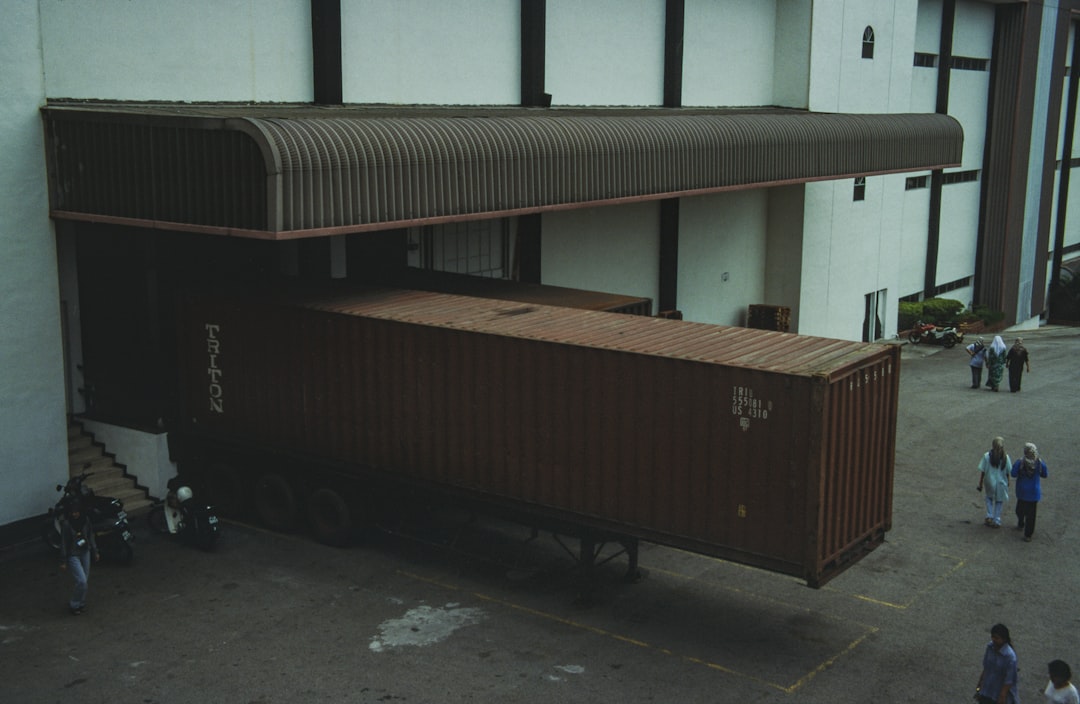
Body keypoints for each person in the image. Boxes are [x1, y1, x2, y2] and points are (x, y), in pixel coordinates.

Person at [58, 500, 99, 615]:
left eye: (76, 512)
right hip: (73, 554)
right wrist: (63, 560)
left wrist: (95, 551)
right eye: (72, 512)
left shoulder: (85, 521)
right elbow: (64, 542)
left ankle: (80, 603)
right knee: (81, 581)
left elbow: (90, 535)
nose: (74, 514)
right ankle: (74, 604)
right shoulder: (67, 524)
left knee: (84, 581)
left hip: (85, 551)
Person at [1012, 442, 1048, 542]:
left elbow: (1013, 473)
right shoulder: (1039, 463)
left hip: (1022, 492)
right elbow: (1045, 474)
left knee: (1020, 509)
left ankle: (1020, 522)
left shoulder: (1020, 462)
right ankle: (1028, 535)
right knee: (1031, 515)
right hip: (1033, 493)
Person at [976, 623, 1019, 704]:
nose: (994, 639)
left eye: (997, 638)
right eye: (992, 637)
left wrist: (1002, 696)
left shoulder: (1010, 657)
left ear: (1004, 639)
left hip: (997, 695)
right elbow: (986, 668)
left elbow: (1009, 680)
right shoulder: (990, 647)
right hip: (986, 691)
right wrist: (980, 684)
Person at [977, 437, 1011, 528]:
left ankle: (989, 515)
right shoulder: (1006, 458)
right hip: (1001, 483)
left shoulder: (987, 456)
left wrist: (980, 483)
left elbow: (983, 471)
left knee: (989, 498)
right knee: (999, 501)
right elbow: (1008, 472)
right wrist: (1008, 481)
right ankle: (997, 520)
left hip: (989, 481)